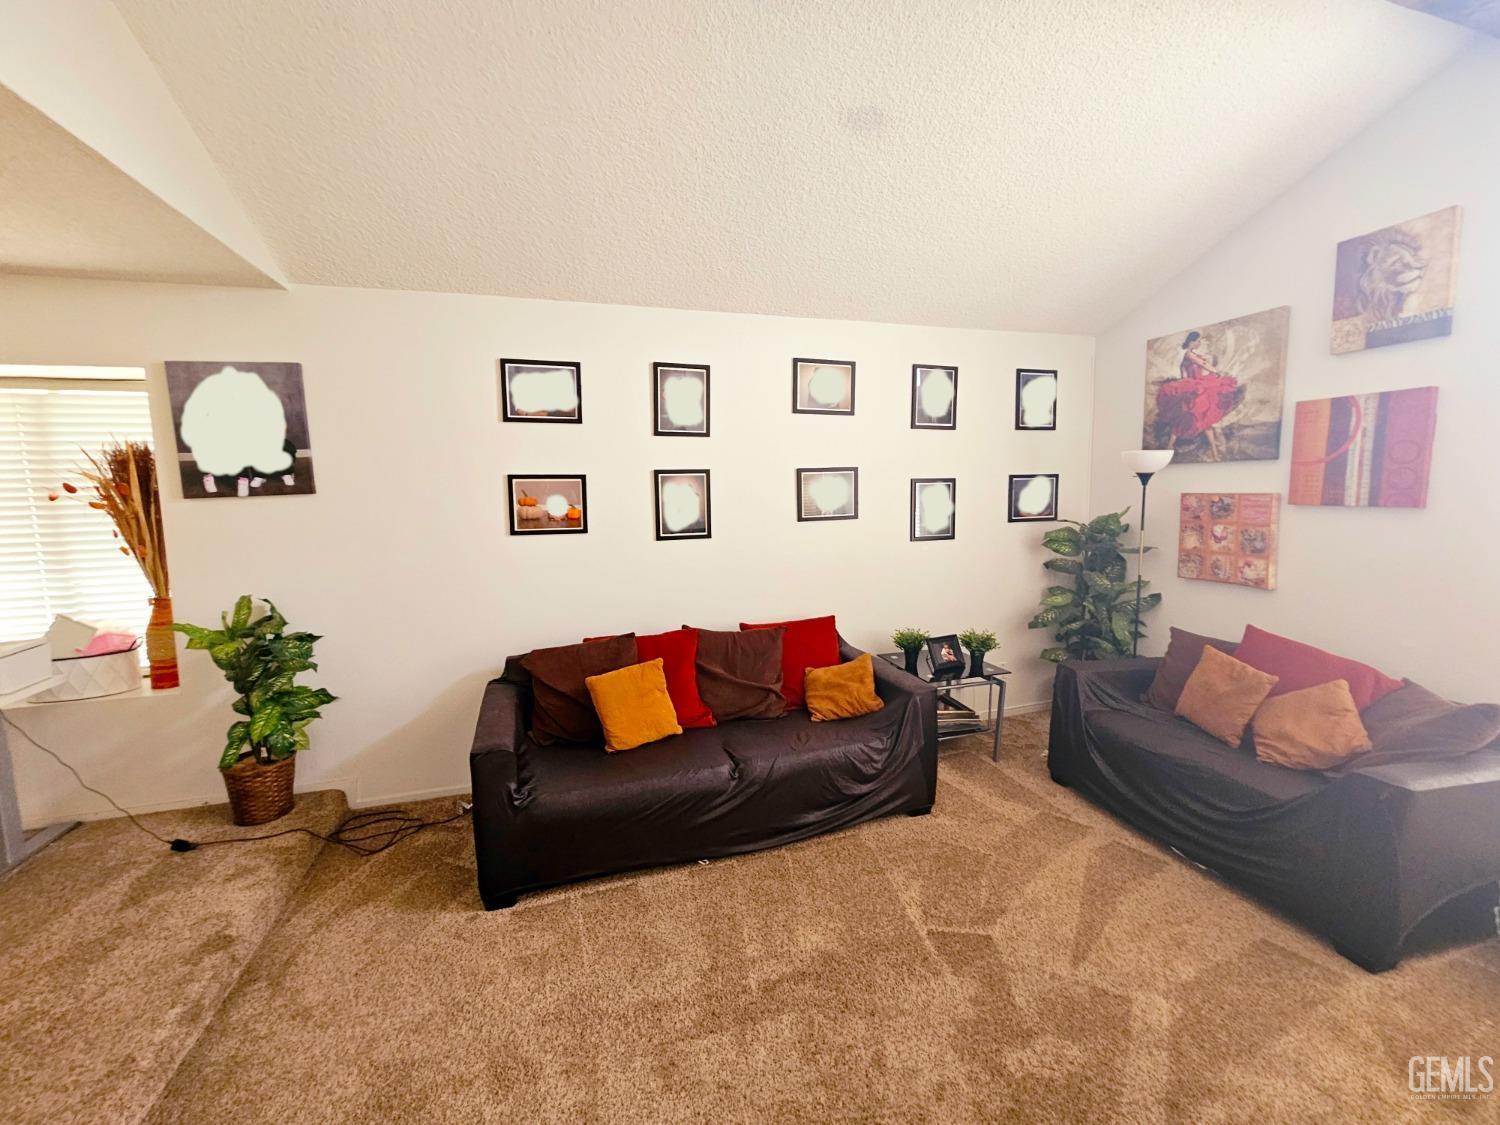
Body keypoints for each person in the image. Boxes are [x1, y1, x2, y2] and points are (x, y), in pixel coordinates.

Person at [1152, 331, 1245, 460]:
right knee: (1185, 421)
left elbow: (1195, 369)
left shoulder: (1193, 354)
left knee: (1204, 421)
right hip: (1194, 389)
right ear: (1191, 342)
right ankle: (1170, 447)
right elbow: (1202, 365)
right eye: (1198, 341)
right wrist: (1216, 372)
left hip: (1197, 388)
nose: (1199, 343)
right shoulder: (1189, 354)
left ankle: (1214, 453)